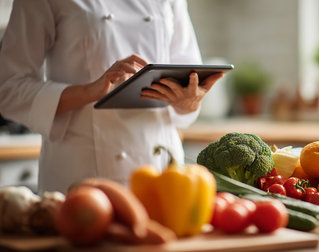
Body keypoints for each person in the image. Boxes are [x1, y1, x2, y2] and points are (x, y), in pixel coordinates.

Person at [0, 0, 224, 193]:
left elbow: (187, 80)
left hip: (165, 172)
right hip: (82, 177)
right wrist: (91, 90)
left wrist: (189, 101)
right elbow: (8, 89)